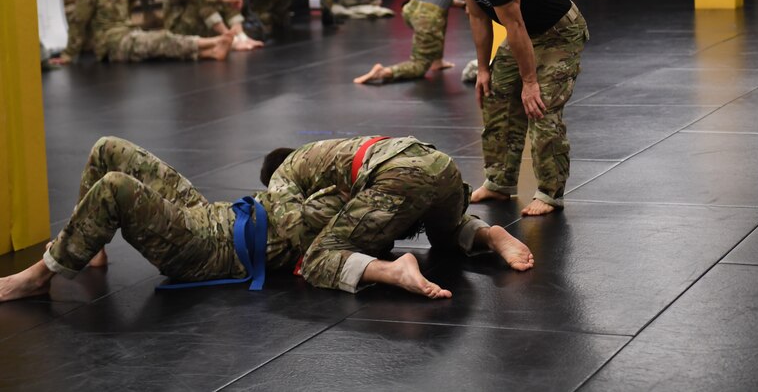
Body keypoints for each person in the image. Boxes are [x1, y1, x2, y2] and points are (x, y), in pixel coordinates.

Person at [0, 135, 533, 302]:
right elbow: (418, 214)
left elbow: (400, 209)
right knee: (109, 149)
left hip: (213, 246)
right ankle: (90, 245)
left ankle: (40, 276)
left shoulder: (315, 201)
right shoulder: (339, 199)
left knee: (115, 186)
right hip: (215, 216)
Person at [414, 0, 589, 217]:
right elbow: (478, 17)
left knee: (540, 107)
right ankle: (499, 182)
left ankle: (550, 192)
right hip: (528, 32)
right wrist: (483, 69)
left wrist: (530, 82)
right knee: (495, 94)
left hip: (559, 32)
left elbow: (515, 26)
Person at [50, 0, 231, 65]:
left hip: (128, 35)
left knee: (160, 51)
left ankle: (210, 53)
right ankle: (216, 41)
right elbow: (78, 24)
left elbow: (124, 19)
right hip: (112, 44)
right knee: (162, 39)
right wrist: (69, 55)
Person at [353, 0, 458, 84]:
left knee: (441, 14)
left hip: (412, 7)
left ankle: (437, 61)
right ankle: (384, 72)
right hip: (426, 17)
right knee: (419, 66)